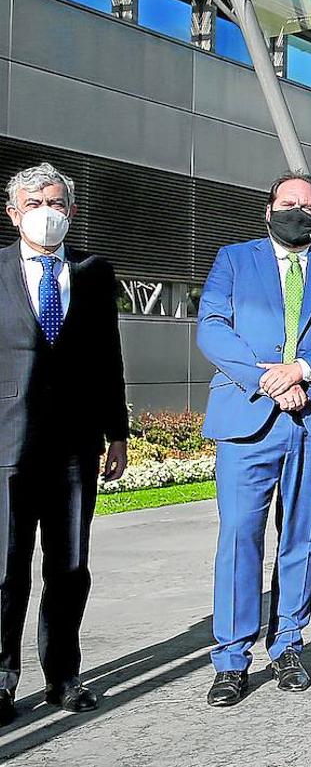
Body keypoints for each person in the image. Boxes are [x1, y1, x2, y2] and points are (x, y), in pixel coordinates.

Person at [196, 172, 311, 706]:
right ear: (268, 209)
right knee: (239, 537)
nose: (299, 211)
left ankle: (289, 643)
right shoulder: (233, 260)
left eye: (309, 206)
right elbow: (213, 327)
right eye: (289, 202)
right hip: (247, 418)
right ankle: (231, 658)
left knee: (302, 537)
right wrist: (268, 379)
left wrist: (301, 370)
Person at [0, 163, 129, 723]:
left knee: (69, 567)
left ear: (71, 212)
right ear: (13, 214)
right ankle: (1, 680)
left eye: (55, 203)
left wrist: (117, 432)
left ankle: (63, 676)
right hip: (7, 446)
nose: (45, 213)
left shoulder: (94, 273)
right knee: (5, 569)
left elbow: (108, 357)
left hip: (75, 447)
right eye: (33, 204)